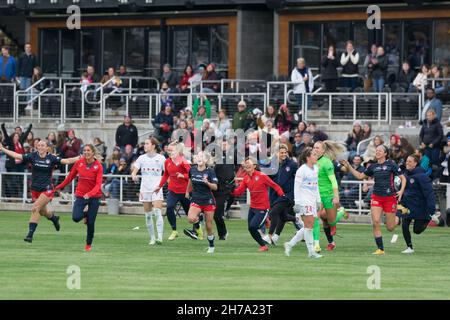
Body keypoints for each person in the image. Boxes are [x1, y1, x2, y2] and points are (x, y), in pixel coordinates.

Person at [0, 141, 80, 242]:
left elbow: (66, 161)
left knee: (35, 208)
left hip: (47, 189)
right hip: (35, 189)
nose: (40, 147)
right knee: (43, 211)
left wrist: (79, 158)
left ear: (47, 147)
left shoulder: (51, 158)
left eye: (43, 145)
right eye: (38, 145)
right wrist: (3, 149)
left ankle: (30, 235)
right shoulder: (32, 156)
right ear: (36, 147)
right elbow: (17, 155)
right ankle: (54, 218)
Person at [340, 145, 406, 255]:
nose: (378, 151)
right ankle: (380, 249)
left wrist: (401, 191)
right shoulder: (373, 166)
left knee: (390, 228)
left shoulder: (391, 164)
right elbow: (361, 176)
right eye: (377, 150)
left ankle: (398, 215)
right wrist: (349, 166)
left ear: (385, 153)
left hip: (390, 198)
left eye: (380, 150)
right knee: (375, 222)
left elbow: (403, 178)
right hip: (376, 197)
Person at [55, 144, 104, 252]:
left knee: (91, 223)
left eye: (88, 150)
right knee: (76, 218)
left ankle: (88, 244)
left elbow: (98, 184)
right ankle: (85, 215)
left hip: (94, 196)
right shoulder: (79, 162)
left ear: (92, 153)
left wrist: (90, 194)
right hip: (81, 194)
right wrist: (58, 187)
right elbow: (70, 177)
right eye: (84, 150)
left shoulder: (98, 166)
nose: (86, 152)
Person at [231, 157, 285, 252]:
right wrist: (230, 190)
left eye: (249, 163)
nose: (247, 164)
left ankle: (265, 220)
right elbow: (238, 192)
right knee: (251, 229)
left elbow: (274, 185)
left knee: (253, 226)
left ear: (254, 165)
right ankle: (263, 245)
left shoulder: (262, 176)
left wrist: (282, 195)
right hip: (252, 208)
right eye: (245, 163)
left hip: (263, 208)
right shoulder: (246, 178)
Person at [154, 141, 202, 240]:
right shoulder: (167, 161)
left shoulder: (183, 161)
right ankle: (174, 231)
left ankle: (198, 230)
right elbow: (166, 175)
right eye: (168, 150)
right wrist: (159, 186)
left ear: (178, 151)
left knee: (191, 215)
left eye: (171, 150)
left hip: (185, 192)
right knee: (170, 207)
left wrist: (183, 175)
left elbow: (192, 174)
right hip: (173, 190)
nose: (169, 152)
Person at [284, 147, 323, 258]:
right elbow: (297, 187)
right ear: (308, 157)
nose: (316, 156)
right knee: (309, 226)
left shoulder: (316, 168)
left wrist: (318, 200)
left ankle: (290, 244)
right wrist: (297, 203)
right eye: (314, 154)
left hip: (312, 200)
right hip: (304, 200)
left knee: (308, 226)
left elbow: (316, 187)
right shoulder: (302, 170)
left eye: (316, 154)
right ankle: (311, 252)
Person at [313, 140, 349, 252]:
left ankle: (341, 212)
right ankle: (316, 244)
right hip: (316, 196)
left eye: (317, 148)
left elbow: (333, 180)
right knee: (316, 218)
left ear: (323, 151)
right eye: (314, 147)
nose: (315, 149)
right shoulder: (310, 161)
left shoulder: (328, 162)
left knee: (330, 221)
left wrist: (336, 196)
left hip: (328, 195)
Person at [263, 144, 302, 245]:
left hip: (287, 195)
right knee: (283, 216)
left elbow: (299, 177)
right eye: (281, 153)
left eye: (285, 152)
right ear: (277, 153)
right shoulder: (273, 164)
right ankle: (296, 220)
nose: (284, 154)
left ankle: (270, 236)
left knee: (274, 212)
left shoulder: (292, 165)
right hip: (275, 194)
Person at [131, 138, 166, 245]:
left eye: (147, 144)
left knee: (157, 212)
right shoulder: (141, 158)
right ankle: (152, 238)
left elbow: (167, 172)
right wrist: (134, 176)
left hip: (156, 188)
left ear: (153, 145)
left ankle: (160, 237)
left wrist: (165, 183)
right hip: (145, 189)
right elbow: (134, 172)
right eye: (144, 144)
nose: (144, 146)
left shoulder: (161, 158)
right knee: (148, 215)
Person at [399, 154, 436, 253]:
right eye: (407, 161)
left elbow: (429, 193)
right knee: (404, 225)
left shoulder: (422, 176)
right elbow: (402, 189)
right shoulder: (405, 175)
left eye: (410, 161)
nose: (407, 163)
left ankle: (427, 219)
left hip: (419, 206)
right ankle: (409, 247)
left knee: (417, 230)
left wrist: (431, 210)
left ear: (415, 163)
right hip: (407, 205)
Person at [185, 151, 218, 253]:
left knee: (209, 227)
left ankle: (211, 246)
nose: (199, 158)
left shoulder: (210, 171)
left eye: (202, 157)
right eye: (198, 156)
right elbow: (190, 180)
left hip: (208, 200)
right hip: (196, 199)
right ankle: (198, 223)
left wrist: (207, 182)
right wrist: (187, 191)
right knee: (190, 219)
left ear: (206, 160)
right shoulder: (192, 170)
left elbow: (215, 187)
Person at [212, 139, 236, 240]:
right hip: (215, 188)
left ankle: (222, 234)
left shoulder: (233, 156)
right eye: (222, 144)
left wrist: (231, 183)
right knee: (215, 215)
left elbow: (235, 170)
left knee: (217, 214)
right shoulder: (215, 156)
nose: (224, 146)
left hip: (224, 189)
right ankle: (222, 233)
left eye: (226, 144)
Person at [1, 123, 32, 198]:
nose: (16, 137)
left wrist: (30, 127)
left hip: (21, 164)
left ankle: (21, 195)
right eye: (15, 136)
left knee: (22, 180)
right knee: (14, 180)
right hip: (13, 165)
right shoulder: (10, 143)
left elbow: (26, 134)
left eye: (17, 136)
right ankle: (13, 195)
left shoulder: (20, 142)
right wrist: (3, 127)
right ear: (12, 137)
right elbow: (5, 135)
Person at [16, 43, 37, 107]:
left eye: (29, 47)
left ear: (30, 48)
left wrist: (34, 75)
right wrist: (17, 76)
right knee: (22, 90)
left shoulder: (33, 56)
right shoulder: (21, 56)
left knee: (28, 91)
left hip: (30, 76)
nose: (28, 48)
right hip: (22, 76)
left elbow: (35, 66)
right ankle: (21, 105)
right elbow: (18, 66)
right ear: (25, 48)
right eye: (26, 47)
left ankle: (28, 104)